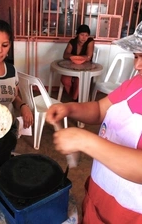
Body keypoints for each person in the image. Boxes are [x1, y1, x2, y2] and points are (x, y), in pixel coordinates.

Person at [46, 21, 142, 223]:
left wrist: (85, 141)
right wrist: (69, 109)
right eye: (137, 56)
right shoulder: (135, 85)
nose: (137, 65)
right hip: (99, 197)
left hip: (129, 215)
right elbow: (100, 109)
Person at [61, 24, 94, 101]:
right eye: (82, 35)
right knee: (65, 80)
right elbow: (65, 55)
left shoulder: (90, 41)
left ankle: (74, 99)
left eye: (86, 35)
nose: (84, 37)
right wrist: (74, 57)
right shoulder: (72, 42)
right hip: (72, 67)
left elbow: (88, 57)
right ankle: (74, 96)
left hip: (85, 68)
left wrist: (78, 58)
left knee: (78, 80)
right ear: (77, 35)